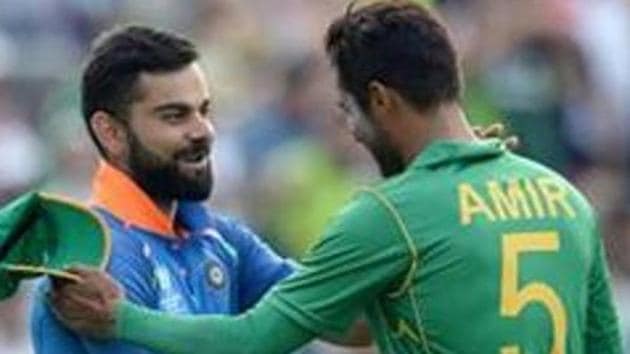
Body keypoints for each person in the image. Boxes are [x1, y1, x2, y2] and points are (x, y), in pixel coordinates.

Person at [50, 2, 622, 353]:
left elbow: (253, 340)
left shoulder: (391, 214)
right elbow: (605, 346)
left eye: (347, 112)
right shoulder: (564, 197)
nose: (350, 132)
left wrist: (121, 318)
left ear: (380, 100)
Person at [30, 25, 299, 354]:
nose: (203, 131)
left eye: (204, 111)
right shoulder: (98, 256)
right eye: (175, 116)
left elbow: (346, 323)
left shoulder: (216, 236)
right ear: (111, 132)